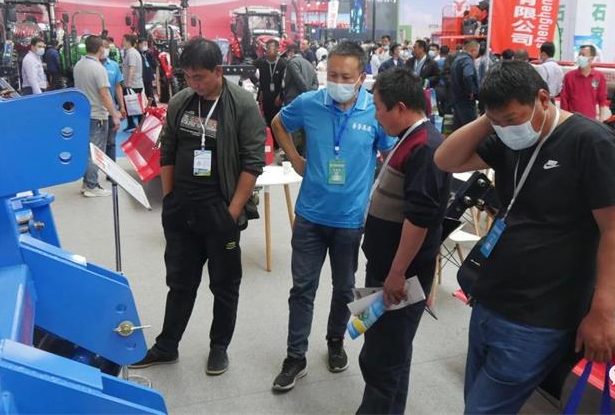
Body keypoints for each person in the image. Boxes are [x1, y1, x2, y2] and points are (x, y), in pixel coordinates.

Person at [434, 60, 615, 414]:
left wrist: (603, 312)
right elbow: (446, 160)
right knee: (475, 400)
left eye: (512, 118)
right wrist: (491, 119)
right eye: (497, 121)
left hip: (539, 314)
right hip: (490, 298)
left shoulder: (591, 142)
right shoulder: (508, 136)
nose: (507, 128)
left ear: (543, 98)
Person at [129, 37, 266, 375]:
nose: (194, 83)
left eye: (200, 77)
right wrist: (170, 199)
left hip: (220, 213)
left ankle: (219, 348)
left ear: (218, 70)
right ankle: (167, 346)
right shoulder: (181, 101)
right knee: (180, 283)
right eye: (188, 76)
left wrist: (232, 213)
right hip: (182, 212)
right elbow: (168, 151)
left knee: (224, 285)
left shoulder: (242, 104)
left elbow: (252, 164)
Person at [270, 41, 395, 392]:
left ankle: (335, 341)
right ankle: (295, 356)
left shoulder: (374, 112)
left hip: (350, 221)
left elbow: (390, 153)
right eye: (333, 75)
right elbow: (279, 122)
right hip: (310, 216)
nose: (338, 82)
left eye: (346, 76)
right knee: (302, 289)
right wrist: (295, 158)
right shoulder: (310, 103)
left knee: (344, 289)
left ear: (361, 78)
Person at [357, 67, 450, 414]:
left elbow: (419, 219)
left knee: (383, 357)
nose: (376, 116)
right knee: (387, 349)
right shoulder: (410, 138)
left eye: (378, 108)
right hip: (387, 267)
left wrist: (397, 272)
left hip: (400, 275)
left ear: (399, 107)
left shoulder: (424, 147)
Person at [73, 35, 122, 197]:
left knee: (87, 149)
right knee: (95, 151)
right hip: (97, 115)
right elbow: (105, 94)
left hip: (83, 114)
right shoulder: (98, 68)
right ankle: (91, 185)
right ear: (100, 48)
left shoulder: (79, 65)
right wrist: (115, 115)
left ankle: (87, 182)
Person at [559, 45, 609, 120]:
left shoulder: (599, 76)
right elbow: (564, 100)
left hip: (591, 120)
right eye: (579, 54)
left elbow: (602, 100)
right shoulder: (569, 77)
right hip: (573, 120)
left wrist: (601, 120)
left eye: (583, 55)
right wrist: (564, 120)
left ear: (592, 58)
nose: (580, 57)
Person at [100, 38, 128, 161]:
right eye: (103, 46)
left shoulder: (114, 65)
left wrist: (121, 106)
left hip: (110, 109)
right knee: (95, 143)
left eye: (107, 47)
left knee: (111, 142)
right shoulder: (91, 66)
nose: (105, 49)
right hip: (94, 111)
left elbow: (118, 87)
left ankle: (112, 168)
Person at [254, 39, 287, 134]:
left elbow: (284, 82)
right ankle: (269, 139)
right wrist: (258, 86)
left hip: (277, 97)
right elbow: (249, 69)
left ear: (277, 49)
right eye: (267, 48)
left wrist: (281, 96)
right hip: (265, 96)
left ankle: (277, 140)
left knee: (277, 121)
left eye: (271, 48)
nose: (268, 50)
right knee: (267, 120)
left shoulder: (282, 63)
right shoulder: (262, 62)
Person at [449, 40, 480, 130]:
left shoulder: (457, 59)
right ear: (473, 50)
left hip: (456, 98)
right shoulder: (467, 60)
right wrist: (471, 91)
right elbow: (468, 75)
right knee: (470, 128)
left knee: (458, 128)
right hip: (466, 100)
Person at [122, 34, 145, 131]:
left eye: (123, 40)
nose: (122, 42)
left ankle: (138, 126)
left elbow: (132, 67)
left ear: (128, 42)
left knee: (135, 106)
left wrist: (128, 82)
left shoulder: (131, 53)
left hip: (133, 84)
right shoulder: (132, 52)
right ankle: (134, 124)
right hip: (135, 83)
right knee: (132, 105)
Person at [139, 38, 158, 106]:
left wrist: (151, 55)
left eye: (146, 44)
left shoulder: (148, 53)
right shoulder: (138, 53)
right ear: (139, 44)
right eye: (144, 44)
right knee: (142, 94)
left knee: (150, 93)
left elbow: (154, 63)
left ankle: (153, 107)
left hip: (148, 76)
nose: (145, 46)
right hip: (141, 76)